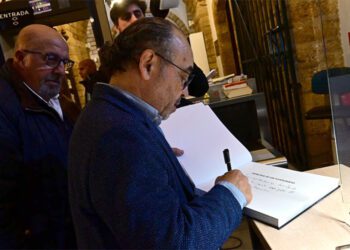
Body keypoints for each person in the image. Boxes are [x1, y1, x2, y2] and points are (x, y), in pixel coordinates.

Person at [69, 17, 252, 249]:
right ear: (148, 64)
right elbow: (175, 243)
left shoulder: (111, 115)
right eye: (182, 77)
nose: (184, 91)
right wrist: (230, 194)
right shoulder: (120, 136)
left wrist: (157, 161)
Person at [0, 24, 77, 248]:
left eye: (64, 62)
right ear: (21, 58)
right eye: (51, 59)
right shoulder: (6, 108)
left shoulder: (58, 101)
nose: (61, 70)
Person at [109, 0, 209, 100]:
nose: (134, 19)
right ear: (117, 26)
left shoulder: (161, 45)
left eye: (137, 14)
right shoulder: (115, 59)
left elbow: (200, 87)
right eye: (127, 17)